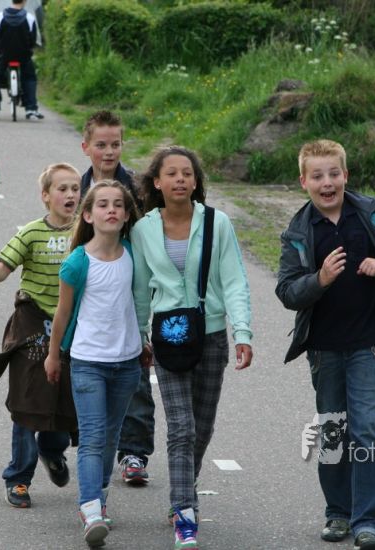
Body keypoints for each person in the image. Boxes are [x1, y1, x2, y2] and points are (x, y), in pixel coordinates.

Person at [275, 139, 375, 550]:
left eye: (334, 173)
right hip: (323, 347)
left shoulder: (374, 212)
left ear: (345, 175)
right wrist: (320, 279)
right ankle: (338, 512)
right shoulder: (298, 231)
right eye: (317, 176)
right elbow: (287, 291)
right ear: (303, 182)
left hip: (369, 343)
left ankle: (369, 524)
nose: (327, 182)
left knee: (367, 430)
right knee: (333, 430)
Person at [131, 146, 253, 550]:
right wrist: (140, 336)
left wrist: (243, 332)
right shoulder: (143, 230)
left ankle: (186, 483)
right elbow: (140, 290)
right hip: (168, 335)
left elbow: (234, 280)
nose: (180, 179)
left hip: (212, 335)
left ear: (196, 181)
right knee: (181, 427)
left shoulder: (217, 223)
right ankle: (184, 511)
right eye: (171, 173)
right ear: (157, 182)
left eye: (187, 173)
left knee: (202, 427)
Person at [44, 181, 149, 548]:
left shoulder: (134, 255)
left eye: (118, 205)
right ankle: (89, 509)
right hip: (88, 362)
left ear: (127, 215)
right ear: (87, 215)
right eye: (102, 205)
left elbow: (136, 303)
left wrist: (143, 339)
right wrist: (53, 355)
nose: (111, 210)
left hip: (127, 363)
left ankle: (99, 497)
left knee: (111, 436)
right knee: (92, 436)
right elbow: (62, 313)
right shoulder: (78, 262)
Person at [0, 163, 81, 508]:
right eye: (62, 189)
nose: (70, 194)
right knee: (27, 402)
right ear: (46, 195)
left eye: (75, 188)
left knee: (64, 397)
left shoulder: (86, 231)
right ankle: (18, 478)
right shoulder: (32, 233)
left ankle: (52, 450)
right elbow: (2, 271)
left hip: (73, 327)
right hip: (32, 325)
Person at [80, 110, 154, 485]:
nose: (109, 152)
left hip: (129, 286)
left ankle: (134, 452)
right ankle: (88, 445)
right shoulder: (76, 188)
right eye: (101, 145)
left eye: (115, 144)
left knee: (135, 369)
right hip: (90, 291)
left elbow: (149, 235)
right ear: (86, 147)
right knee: (88, 371)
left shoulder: (137, 189)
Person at [0, 0, 44, 121]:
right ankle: (31, 109)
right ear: (24, 1)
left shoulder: (0, 16)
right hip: (24, 56)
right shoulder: (29, 17)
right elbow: (32, 39)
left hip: (3, 56)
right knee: (30, 78)